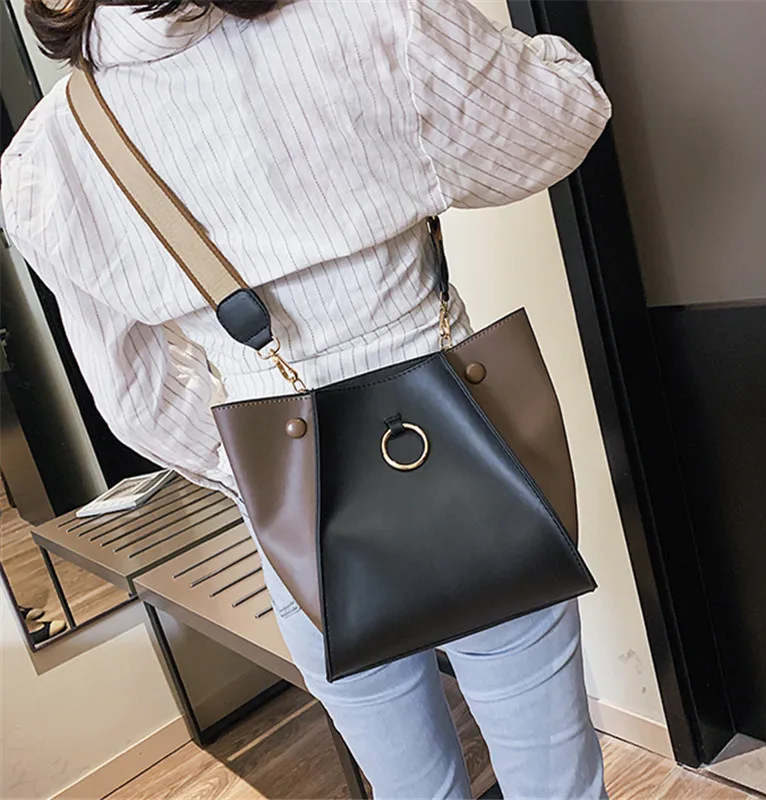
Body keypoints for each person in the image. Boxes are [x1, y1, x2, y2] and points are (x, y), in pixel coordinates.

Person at [2, 1, 611, 796]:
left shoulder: (52, 156)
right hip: (474, 464)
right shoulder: (369, 16)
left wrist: (268, 477)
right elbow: (565, 121)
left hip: (301, 528)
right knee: (557, 782)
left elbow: (138, 403)